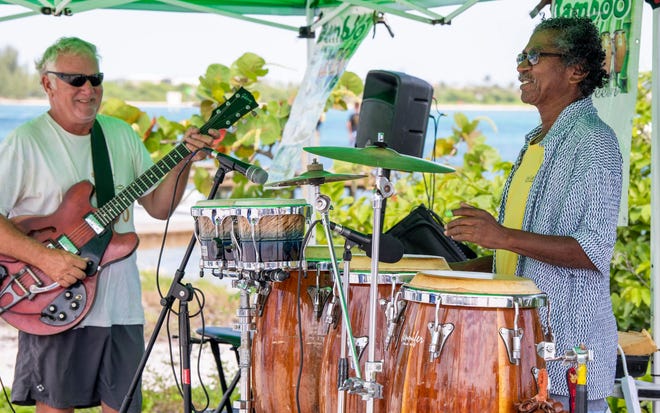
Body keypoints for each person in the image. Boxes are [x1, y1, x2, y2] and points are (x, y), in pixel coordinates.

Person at [0, 37, 217, 413]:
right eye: (75, 79)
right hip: (52, 295)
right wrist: (47, 260)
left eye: (95, 79)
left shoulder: (119, 134)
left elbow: (160, 208)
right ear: (47, 83)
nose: (88, 89)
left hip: (121, 306)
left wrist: (185, 160)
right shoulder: (26, 142)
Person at [444, 17, 621, 412]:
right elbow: (522, 256)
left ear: (576, 71)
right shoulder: (537, 141)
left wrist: (501, 234)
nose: (522, 66)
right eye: (521, 56)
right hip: (521, 351)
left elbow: (591, 251)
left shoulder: (593, 143)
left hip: (565, 359)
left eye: (535, 56)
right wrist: (451, 273)